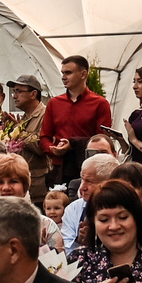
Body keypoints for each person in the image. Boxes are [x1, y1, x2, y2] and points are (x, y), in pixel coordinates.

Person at [39, 55, 114, 192]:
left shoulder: (100, 104)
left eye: (68, 72)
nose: (63, 77)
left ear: (83, 74)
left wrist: (72, 144)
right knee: (57, 210)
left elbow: (102, 140)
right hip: (59, 169)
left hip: (87, 169)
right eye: (62, 73)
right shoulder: (54, 103)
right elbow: (44, 137)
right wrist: (53, 149)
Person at [0, 152, 65, 253]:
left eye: (13, 181)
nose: (6, 187)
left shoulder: (45, 225)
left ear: (24, 188)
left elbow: (59, 265)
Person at [56, 153, 121, 255]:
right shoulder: (73, 209)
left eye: (89, 181)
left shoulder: (127, 208)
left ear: (109, 182)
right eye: (82, 180)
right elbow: (65, 253)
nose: (82, 187)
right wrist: (80, 242)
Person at [1, 75, 52, 191]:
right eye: (14, 92)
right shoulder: (23, 118)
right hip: (23, 184)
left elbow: (40, 146)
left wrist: (17, 129)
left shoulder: (46, 115)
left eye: (18, 91)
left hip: (39, 187)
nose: (14, 96)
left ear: (33, 94)